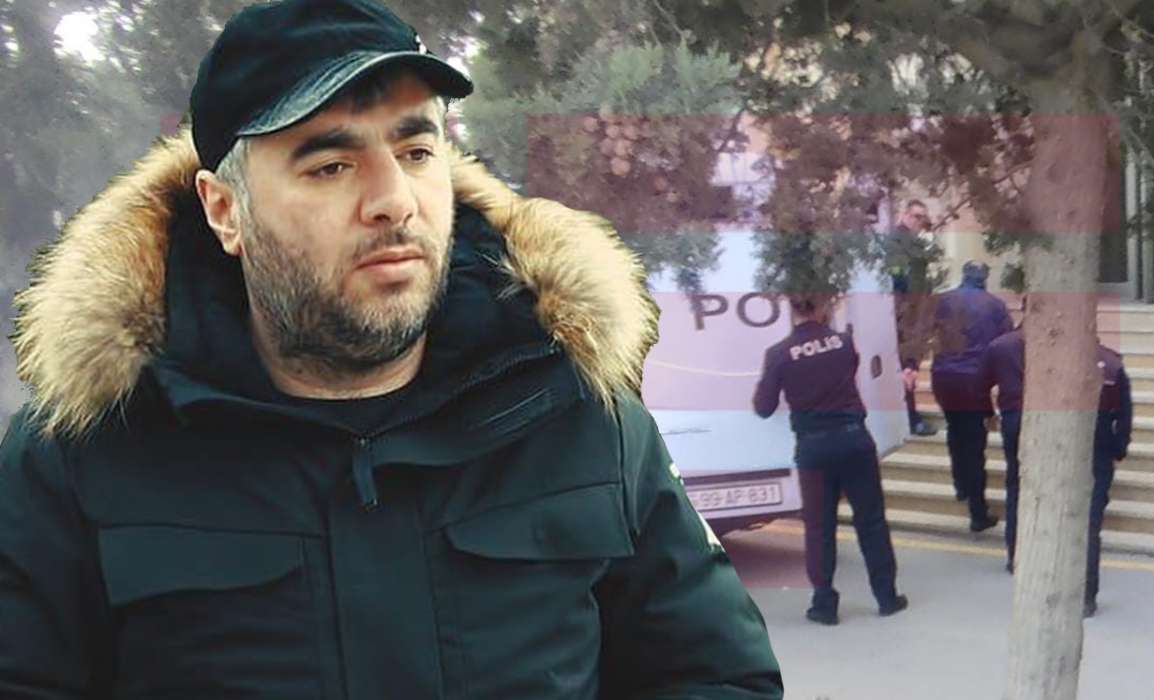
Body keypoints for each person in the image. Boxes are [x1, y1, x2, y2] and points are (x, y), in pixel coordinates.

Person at [0, 1, 783, 697]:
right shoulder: (80, 453)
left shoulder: (580, 411)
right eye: (332, 165)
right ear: (224, 211)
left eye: (416, 152)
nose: (394, 202)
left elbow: (717, 674)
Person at [753, 295, 907, 626]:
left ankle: (824, 604)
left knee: (819, 527)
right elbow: (847, 372)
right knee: (871, 521)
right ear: (822, 306)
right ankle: (886, 596)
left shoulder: (779, 353)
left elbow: (763, 407)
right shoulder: (844, 343)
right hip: (854, 441)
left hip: (814, 450)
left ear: (792, 308)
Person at [981, 326, 1132, 617]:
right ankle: (1086, 595)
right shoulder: (1112, 364)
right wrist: (1118, 447)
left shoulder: (1054, 364)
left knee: (1046, 508)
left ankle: (1043, 573)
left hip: (1059, 447)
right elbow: (1125, 413)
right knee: (1089, 523)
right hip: (1097, 448)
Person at [930, 260, 1012, 532]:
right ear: (985, 277)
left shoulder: (941, 301)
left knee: (955, 431)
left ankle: (961, 486)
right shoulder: (995, 306)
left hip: (943, 377)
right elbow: (1005, 343)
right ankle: (978, 511)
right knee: (975, 446)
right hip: (974, 381)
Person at [884, 199, 941, 437]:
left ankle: (909, 417)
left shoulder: (913, 244)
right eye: (916, 217)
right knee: (905, 367)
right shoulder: (897, 243)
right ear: (905, 215)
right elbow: (899, 278)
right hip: (903, 314)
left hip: (911, 313)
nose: (920, 222)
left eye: (923, 218)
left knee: (908, 367)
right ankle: (910, 419)